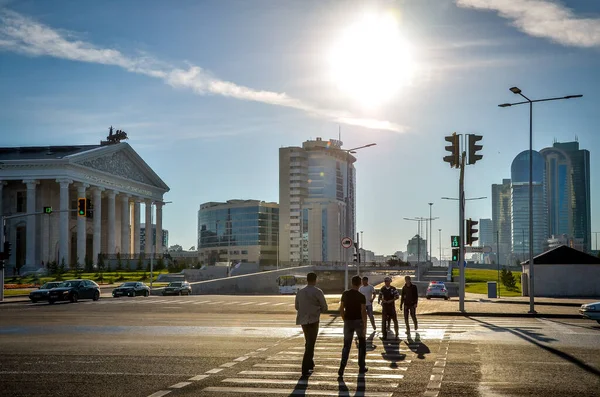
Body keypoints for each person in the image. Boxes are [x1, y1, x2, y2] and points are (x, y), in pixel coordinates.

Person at [295, 272, 328, 376]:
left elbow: (296, 307)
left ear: (307, 280)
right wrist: (318, 309)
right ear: (315, 280)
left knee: (308, 341)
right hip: (313, 319)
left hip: (303, 320)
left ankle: (310, 363)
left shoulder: (300, 292)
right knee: (311, 343)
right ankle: (305, 367)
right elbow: (324, 307)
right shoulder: (318, 292)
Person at [338, 275, 368, 377]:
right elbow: (363, 311)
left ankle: (342, 367)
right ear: (360, 283)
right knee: (362, 344)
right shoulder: (361, 296)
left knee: (346, 345)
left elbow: (341, 309)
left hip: (348, 321)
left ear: (351, 283)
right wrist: (364, 326)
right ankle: (361, 366)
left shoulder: (345, 294)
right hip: (358, 321)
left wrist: (344, 319)